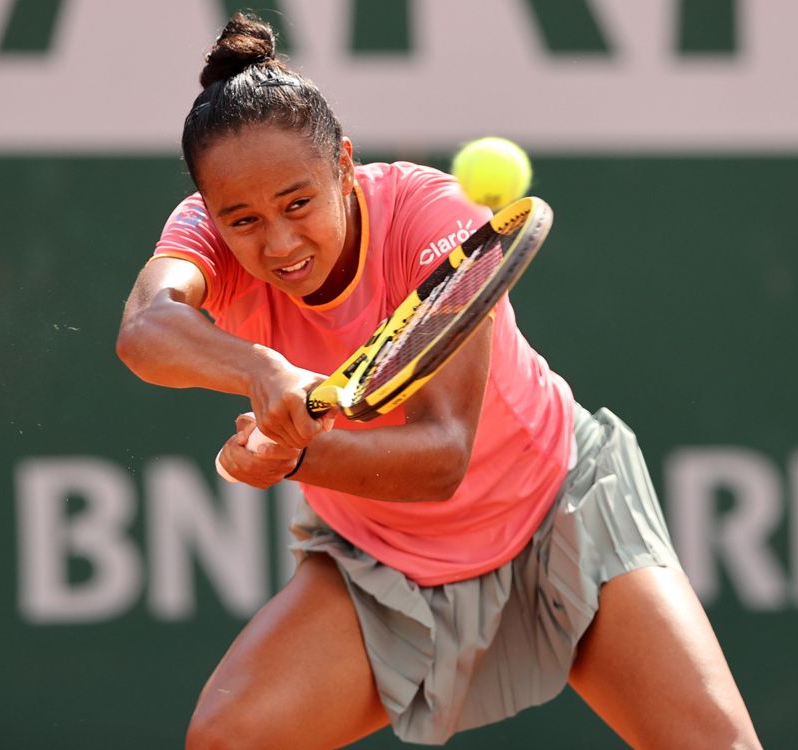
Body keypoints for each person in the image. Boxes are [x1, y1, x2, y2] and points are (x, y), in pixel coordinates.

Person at [117, 12, 763, 750]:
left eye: (298, 203)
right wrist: (262, 370)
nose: (279, 241)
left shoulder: (431, 216)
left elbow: (442, 457)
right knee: (229, 739)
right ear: (212, 212)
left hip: (559, 510)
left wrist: (292, 455)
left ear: (344, 165)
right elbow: (143, 328)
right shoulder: (205, 234)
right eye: (244, 220)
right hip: (383, 561)